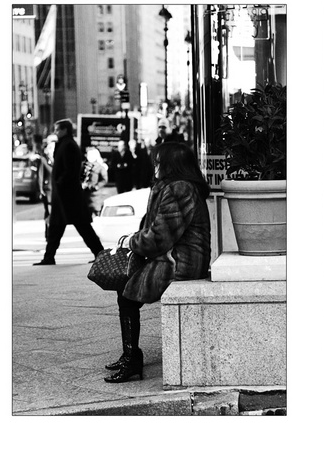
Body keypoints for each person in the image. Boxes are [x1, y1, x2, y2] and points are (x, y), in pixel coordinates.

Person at [104, 141, 212, 383]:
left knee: (128, 294)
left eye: (159, 161)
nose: (155, 165)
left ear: (171, 165)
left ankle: (132, 359)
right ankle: (130, 355)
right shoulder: (173, 187)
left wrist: (131, 242)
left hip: (180, 261)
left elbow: (160, 237)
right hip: (175, 255)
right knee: (126, 290)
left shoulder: (179, 189)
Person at [35, 120, 105, 265]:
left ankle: (99, 253)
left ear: (64, 130)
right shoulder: (66, 144)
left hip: (68, 195)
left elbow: (70, 170)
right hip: (65, 195)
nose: (55, 132)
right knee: (62, 226)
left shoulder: (69, 146)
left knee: (79, 226)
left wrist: (60, 182)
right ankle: (49, 257)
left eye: (57, 130)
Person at [83, 147, 109, 215]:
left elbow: (104, 179)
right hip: (85, 193)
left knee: (96, 212)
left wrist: (97, 186)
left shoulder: (100, 167)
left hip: (95, 195)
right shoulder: (84, 166)